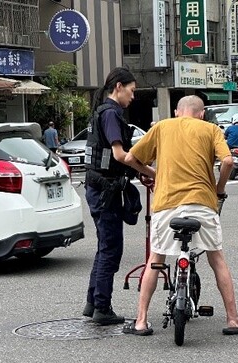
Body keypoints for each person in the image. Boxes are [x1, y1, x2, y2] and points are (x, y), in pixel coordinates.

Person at [123, 95, 238, 337]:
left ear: (176, 112)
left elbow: (131, 158)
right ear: (201, 113)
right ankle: (233, 319)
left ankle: (141, 321)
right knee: (217, 259)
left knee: (156, 258)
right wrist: (219, 188)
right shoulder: (211, 129)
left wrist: (155, 173)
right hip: (202, 204)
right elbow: (227, 161)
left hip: (166, 205)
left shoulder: (162, 127)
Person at [83, 67, 155, 325]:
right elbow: (120, 155)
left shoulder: (101, 111)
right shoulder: (112, 113)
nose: (133, 97)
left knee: (104, 246)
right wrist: (151, 171)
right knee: (111, 249)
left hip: (97, 187)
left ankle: (93, 303)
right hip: (106, 191)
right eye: (132, 91)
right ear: (118, 87)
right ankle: (102, 307)